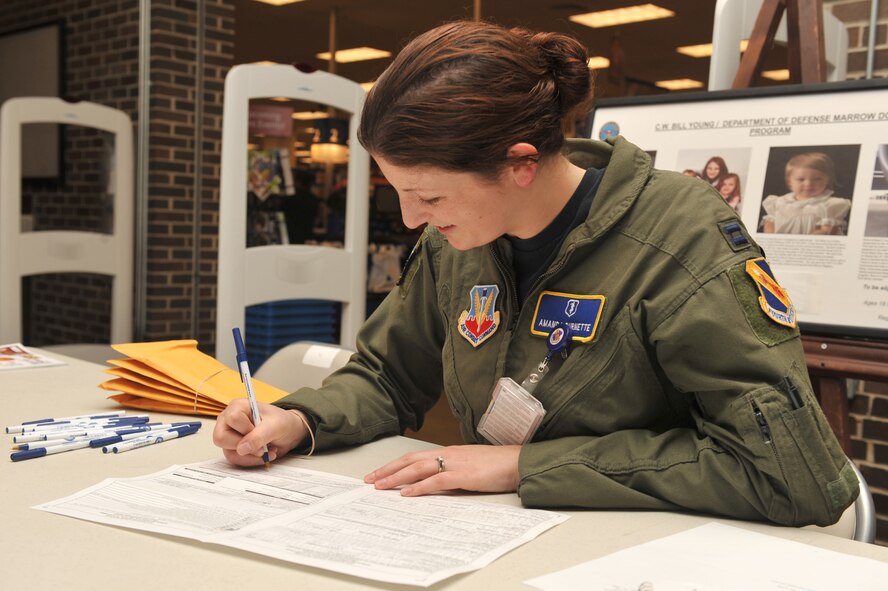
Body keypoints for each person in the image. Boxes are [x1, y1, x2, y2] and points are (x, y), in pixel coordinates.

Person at [214, 21, 856, 527]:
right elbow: (387, 374)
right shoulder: (460, 237)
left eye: (430, 197)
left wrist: (527, 466)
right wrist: (300, 420)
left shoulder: (679, 241)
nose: (411, 219)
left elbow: (786, 472)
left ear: (521, 163)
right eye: (400, 193)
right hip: (489, 538)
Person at [761, 152, 852, 235]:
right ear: (789, 181)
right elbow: (770, 223)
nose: (808, 184)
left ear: (827, 180)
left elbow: (826, 230)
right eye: (801, 179)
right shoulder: (778, 202)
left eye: (817, 179)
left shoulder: (829, 205)